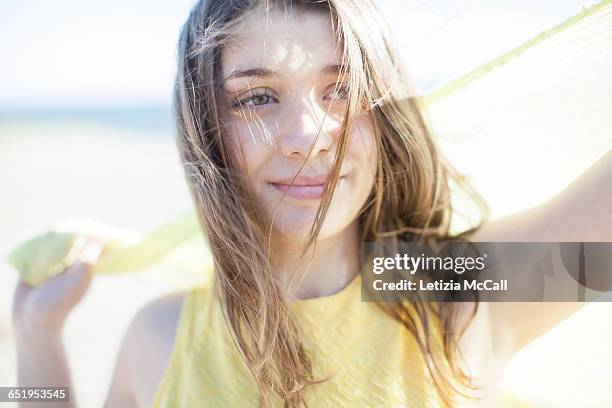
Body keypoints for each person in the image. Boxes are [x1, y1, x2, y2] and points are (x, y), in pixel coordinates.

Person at [12, 0, 612, 407]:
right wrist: (36, 338)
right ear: (207, 125)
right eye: (257, 97)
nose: (306, 134)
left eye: (342, 88)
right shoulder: (162, 335)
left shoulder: (447, 288)